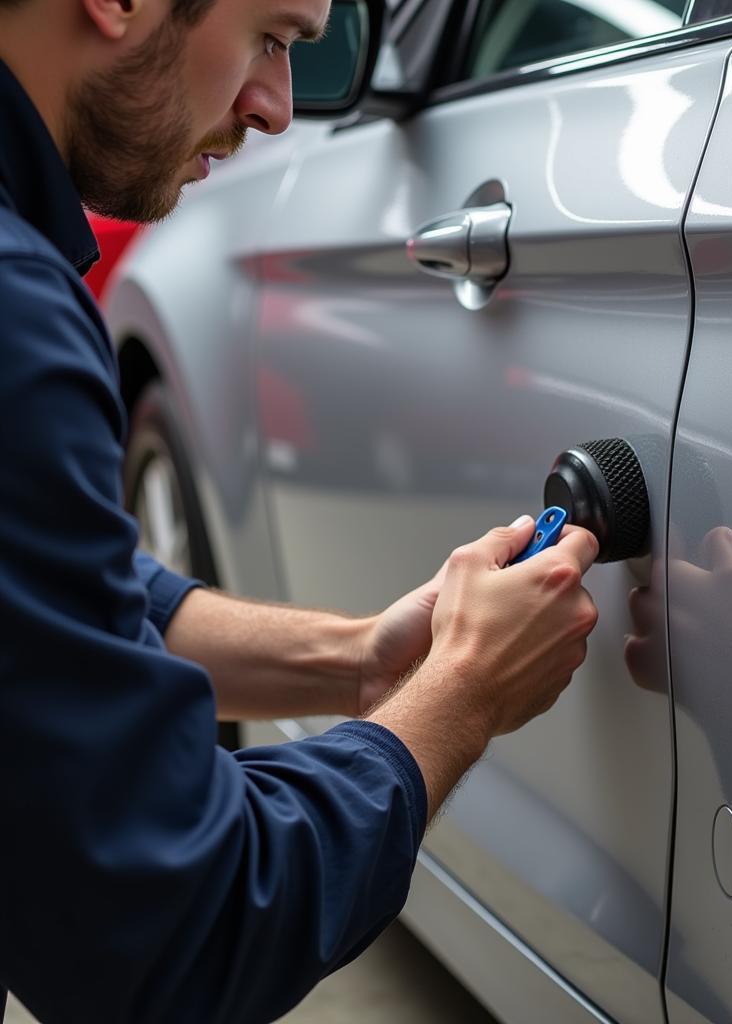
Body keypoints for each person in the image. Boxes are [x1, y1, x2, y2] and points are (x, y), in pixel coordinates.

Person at [0, 0, 600, 1020]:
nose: (278, 109)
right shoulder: (17, 318)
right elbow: (176, 931)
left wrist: (361, 654)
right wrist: (458, 695)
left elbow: (46, 596)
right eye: (273, 36)